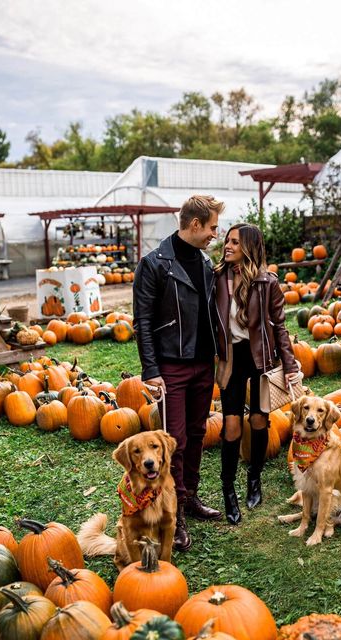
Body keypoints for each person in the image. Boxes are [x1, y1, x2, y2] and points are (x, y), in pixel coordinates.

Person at [133, 195, 225, 552]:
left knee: (199, 434)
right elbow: (142, 320)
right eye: (213, 227)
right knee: (175, 440)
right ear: (195, 224)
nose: (215, 234)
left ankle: (190, 499)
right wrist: (151, 369)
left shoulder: (205, 262)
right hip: (171, 365)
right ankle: (174, 512)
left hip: (204, 362)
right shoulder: (154, 264)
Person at [215, 223, 300, 524]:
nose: (227, 246)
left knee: (260, 420)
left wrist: (289, 366)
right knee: (232, 426)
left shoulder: (267, 283)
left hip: (261, 358)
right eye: (226, 241)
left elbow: (280, 326)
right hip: (231, 359)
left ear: (249, 247)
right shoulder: (216, 279)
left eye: (235, 242)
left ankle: (254, 478)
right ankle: (228, 489)